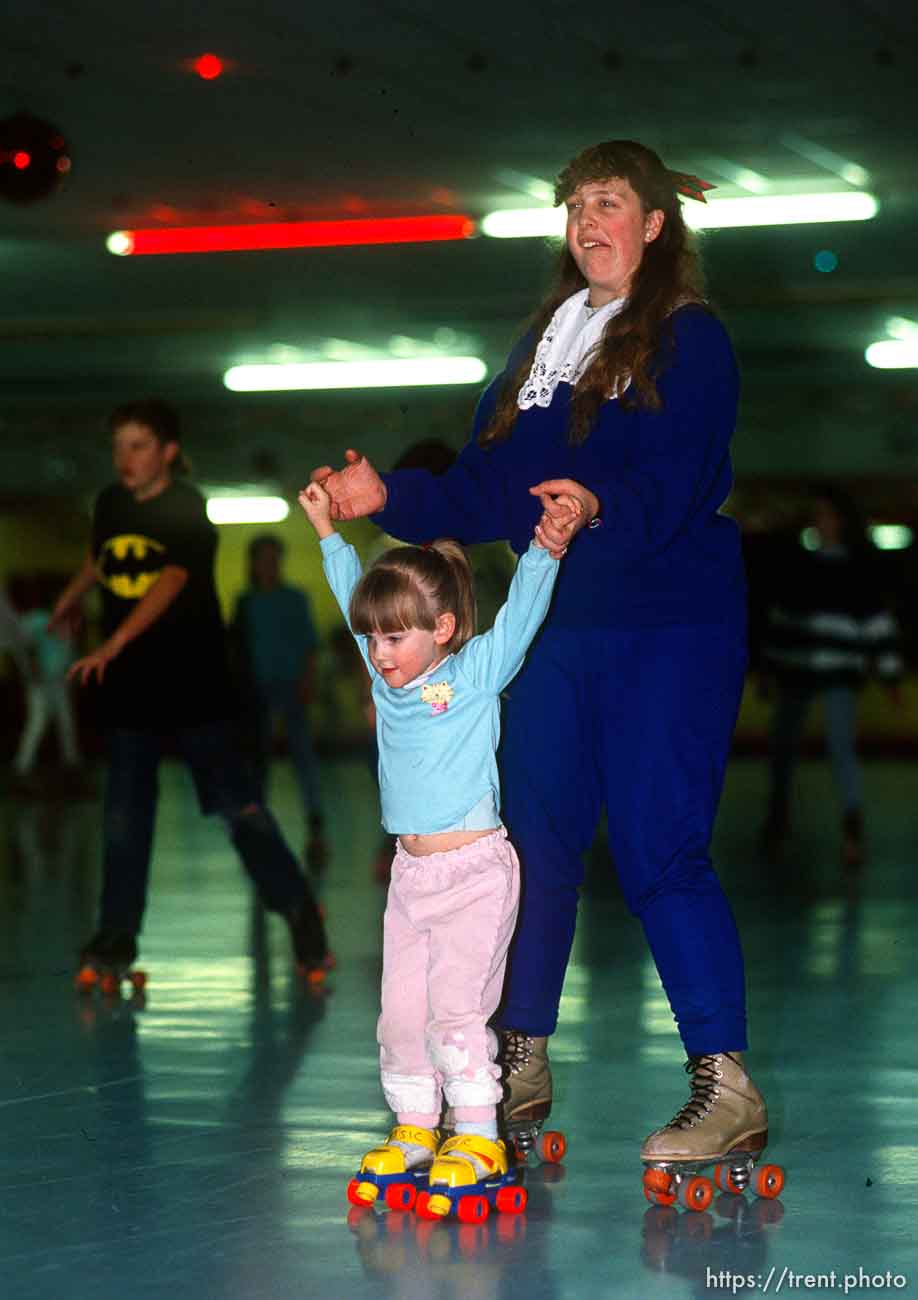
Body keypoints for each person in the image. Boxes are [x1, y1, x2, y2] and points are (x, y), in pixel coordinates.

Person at [311, 139, 768, 1178]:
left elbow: (686, 472)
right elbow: (481, 487)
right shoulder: (542, 348)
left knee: (661, 848)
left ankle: (725, 1080)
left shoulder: (691, 340)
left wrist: (604, 501)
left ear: (655, 224)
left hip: (670, 624)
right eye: (574, 206)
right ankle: (515, 1055)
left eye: (609, 202)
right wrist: (391, 498)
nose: (587, 220)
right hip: (555, 627)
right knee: (533, 849)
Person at [298, 477, 559, 1216]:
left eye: (395, 637)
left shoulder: (473, 674)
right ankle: (416, 1126)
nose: (379, 653)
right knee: (400, 1015)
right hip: (411, 877)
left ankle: (476, 1131)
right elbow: (356, 596)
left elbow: (520, 622)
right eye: (371, 637)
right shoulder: (389, 682)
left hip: (476, 873)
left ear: (442, 628)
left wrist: (545, 550)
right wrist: (327, 535)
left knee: (455, 1010)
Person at [52, 399, 329, 984]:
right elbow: (101, 557)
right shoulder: (110, 503)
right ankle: (116, 937)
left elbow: (171, 579)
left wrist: (111, 642)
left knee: (237, 807)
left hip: (198, 689)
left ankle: (300, 910)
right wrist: (72, 595)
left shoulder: (186, 507)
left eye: (138, 446)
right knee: (124, 817)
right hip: (131, 694)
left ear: (168, 452)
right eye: (118, 446)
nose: (124, 459)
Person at [759, 485, 903, 869]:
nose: (820, 522)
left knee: (841, 748)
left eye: (826, 515)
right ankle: (777, 822)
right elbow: (781, 620)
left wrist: (890, 678)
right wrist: (769, 670)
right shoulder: (799, 567)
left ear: (840, 521)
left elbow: (877, 624)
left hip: (839, 671)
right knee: (782, 749)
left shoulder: (858, 569)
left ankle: (851, 829)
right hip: (798, 671)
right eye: (816, 515)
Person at [232, 535, 327, 869]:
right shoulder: (246, 603)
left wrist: (306, 682)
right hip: (257, 693)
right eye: (263, 559)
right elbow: (236, 651)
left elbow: (310, 646)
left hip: (291, 688)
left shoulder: (295, 600)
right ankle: (258, 823)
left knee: (303, 756)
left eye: (274, 559)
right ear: (254, 564)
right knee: (258, 761)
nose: (269, 566)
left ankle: (315, 822)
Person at [12, 582, 81, 784]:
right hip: (40, 682)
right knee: (38, 723)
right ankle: (22, 766)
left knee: (66, 722)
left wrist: (74, 677)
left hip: (60, 682)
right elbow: (21, 643)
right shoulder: (38, 620)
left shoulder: (70, 623)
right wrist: (31, 667)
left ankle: (72, 763)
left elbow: (69, 653)